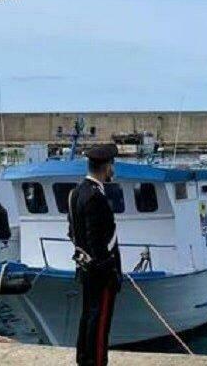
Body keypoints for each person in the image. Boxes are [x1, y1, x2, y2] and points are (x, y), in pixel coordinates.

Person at [68, 145, 122, 366]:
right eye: (112, 165)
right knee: (99, 323)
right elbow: (96, 241)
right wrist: (109, 269)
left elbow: (72, 234)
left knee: (88, 318)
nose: (112, 170)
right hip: (101, 274)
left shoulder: (75, 193)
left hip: (85, 270)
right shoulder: (96, 197)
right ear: (107, 166)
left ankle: (84, 360)